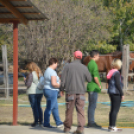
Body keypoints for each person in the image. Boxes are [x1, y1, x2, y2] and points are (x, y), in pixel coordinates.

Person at [60, 51, 92, 134]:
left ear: (74, 57)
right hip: (81, 92)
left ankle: (67, 128)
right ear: (81, 57)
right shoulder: (84, 67)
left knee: (69, 111)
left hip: (70, 92)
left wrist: (61, 89)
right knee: (81, 111)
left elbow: (63, 80)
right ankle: (80, 129)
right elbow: (89, 79)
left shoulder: (67, 67)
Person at [43, 58, 63, 128]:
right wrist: (62, 86)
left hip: (47, 89)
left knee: (55, 107)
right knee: (49, 107)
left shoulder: (47, 71)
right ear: (54, 63)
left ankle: (58, 122)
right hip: (52, 90)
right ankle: (46, 123)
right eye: (57, 63)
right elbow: (54, 84)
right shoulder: (52, 72)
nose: (57, 65)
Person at [107, 59, 124, 132]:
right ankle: (113, 126)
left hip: (111, 92)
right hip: (116, 92)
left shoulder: (110, 71)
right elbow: (118, 84)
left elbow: (109, 81)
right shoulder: (116, 72)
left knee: (112, 109)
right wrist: (122, 94)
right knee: (115, 110)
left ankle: (111, 126)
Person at [24, 62, 43, 127]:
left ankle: (36, 122)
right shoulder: (40, 73)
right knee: (39, 107)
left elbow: (28, 84)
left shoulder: (31, 74)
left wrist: (25, 80)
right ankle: (41, 121)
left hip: (32, 92)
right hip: (40, 92)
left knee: (34, 107)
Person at [87, 50, 102, 129]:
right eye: (98, 56)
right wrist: (99, 85)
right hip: (93, 87)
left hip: (90, 86)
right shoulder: (94, 64)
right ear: (95, 55)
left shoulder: (89, 63)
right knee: (93, 105)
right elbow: (95, 77)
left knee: (91, 105)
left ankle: (90, 121)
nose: (99, 57)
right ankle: (91, 122)